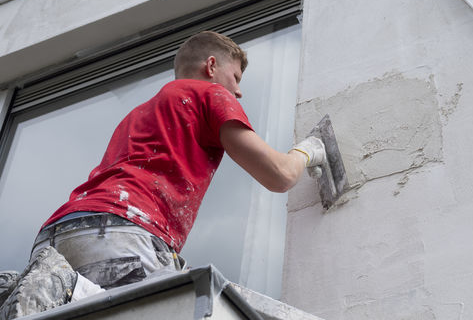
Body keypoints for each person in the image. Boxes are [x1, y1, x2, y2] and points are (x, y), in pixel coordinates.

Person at [0, 31, 325, 319]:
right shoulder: (209, 95)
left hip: (62, 231)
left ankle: (58, 288)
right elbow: (279, 175)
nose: (238, 91)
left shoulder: (138, 114)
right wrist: (309, 149)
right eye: (236, 77)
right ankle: (70, 288)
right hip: (123, 234)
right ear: (211, 66)